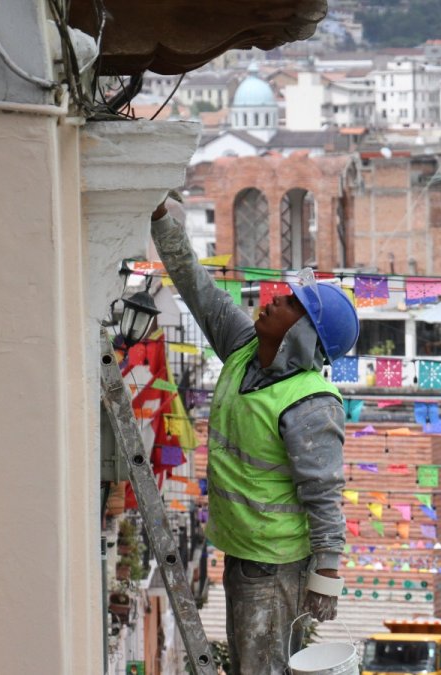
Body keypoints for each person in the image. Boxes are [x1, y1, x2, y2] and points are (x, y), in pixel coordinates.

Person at [150, 194, 359, 674]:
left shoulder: (311, 402)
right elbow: (198, 288)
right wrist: (161, 220)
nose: (275, 299)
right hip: (245, 551)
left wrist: (326, 575)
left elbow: (325, 494)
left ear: (303, 335)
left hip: (276, 565)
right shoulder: (245, 349)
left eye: (291, 304)